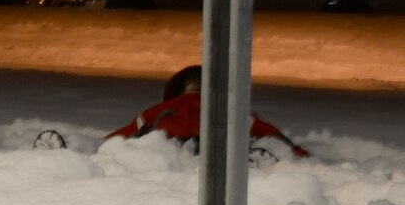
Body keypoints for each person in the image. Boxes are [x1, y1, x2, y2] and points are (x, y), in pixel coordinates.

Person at [107, 65, 307, 160]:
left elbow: (121, 136)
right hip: (223, 147)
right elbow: (272, 133)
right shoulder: (233, 111)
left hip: (172, 144)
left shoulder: (162, 110)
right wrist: (300, 153)